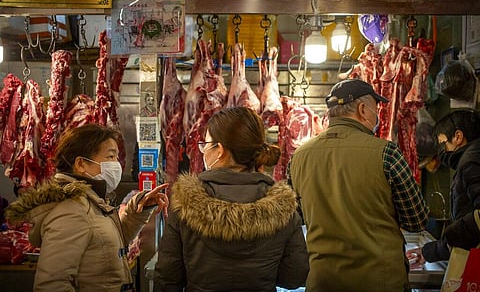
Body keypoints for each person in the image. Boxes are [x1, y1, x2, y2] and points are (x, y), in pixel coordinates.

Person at [289, 79, 429, 292]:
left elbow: (297, 216)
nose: (377, 115)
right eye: (376, 108)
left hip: (323, 281)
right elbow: (416, 220)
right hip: (380, 282)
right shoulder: (386, 153)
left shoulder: (298, 157)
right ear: (363, 109)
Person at [154, 106, 309, 291]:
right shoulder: (282, 205)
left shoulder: (185, 201)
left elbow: (168, 277)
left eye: (206, 144)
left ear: (219, 150)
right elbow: (294, 276)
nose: (203, 151)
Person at [5, 124, 169, 292]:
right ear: (81, 164)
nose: (116, 164)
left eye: (116, 157)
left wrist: (136, 211)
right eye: (110, 156)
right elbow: (52, 284)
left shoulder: (90, 202)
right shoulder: (70, 211)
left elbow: (105, 244)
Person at [407, 109, 480, 266]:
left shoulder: (471, 162)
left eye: (443, 144)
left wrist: (451, 236)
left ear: (458, 137)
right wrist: (431, 251)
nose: (442, 151)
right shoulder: (472, 158)